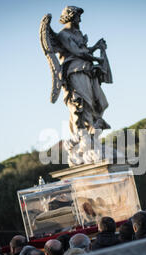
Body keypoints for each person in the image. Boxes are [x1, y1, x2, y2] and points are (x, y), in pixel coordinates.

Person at [40, 6, 112, 166]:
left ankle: (93, 138)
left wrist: (97, 47)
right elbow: (77, 51)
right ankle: (85, 142)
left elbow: (84, 50)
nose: (80, 19)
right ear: (71, 17)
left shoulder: (77, 33)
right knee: (83, 104)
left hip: (88, 71)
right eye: (78, 16)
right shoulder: (63, 35)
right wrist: (97, 59)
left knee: (100, 103)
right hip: (75, 72)